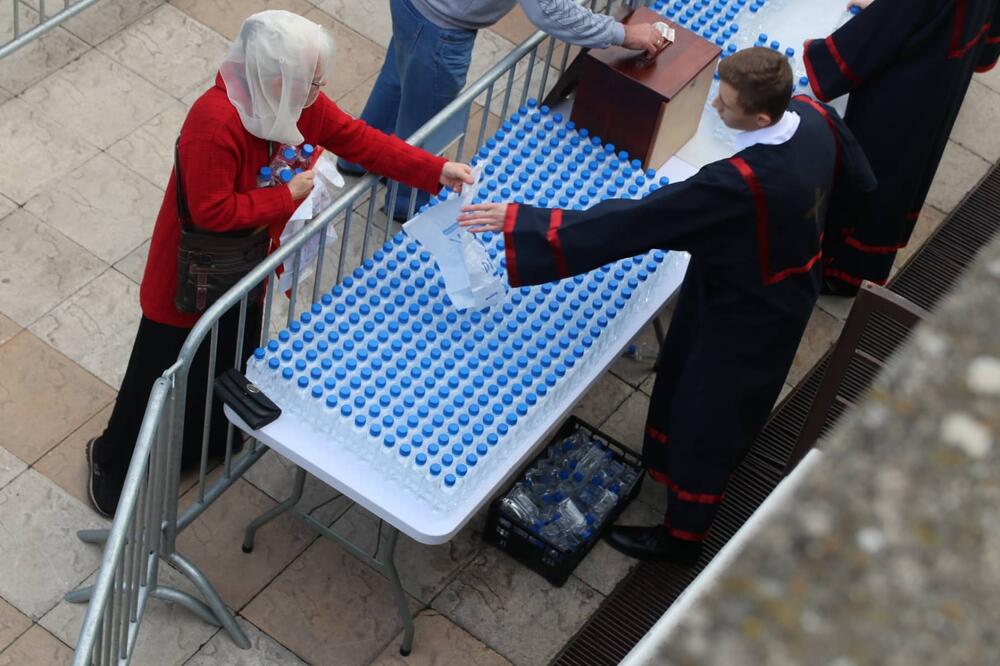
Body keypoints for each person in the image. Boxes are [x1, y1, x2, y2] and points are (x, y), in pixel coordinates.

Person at [458, 48, 876, 565]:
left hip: (738, 310)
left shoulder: (740, 182)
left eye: (726, 105)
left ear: (762, 116)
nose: (716, 112)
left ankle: (684, 534)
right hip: (788, 290)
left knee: (707, 409)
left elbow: (639, 221)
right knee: (735, 394)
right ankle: (685, 463)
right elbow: (861, 184)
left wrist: (524, 222)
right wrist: (812, 248)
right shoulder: (815, 117)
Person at [86, 10, 473, 518]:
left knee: (228, 354)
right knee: (160, 368)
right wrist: (286, 197)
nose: (321, 90)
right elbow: (211, 210)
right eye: (312, 81)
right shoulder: (215, 122)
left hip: (247, 265)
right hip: (189, 274)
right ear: (276, 78)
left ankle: (206, 441)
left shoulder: (291, 100)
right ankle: (113, 460)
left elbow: (359, 140)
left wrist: (435, 170)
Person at [338, 0, 668, 219]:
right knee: (427, 122)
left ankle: (356, 156)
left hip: (416, 7)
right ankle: (406, 203)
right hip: (441, 25)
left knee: (398, 75)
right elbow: (549, 11)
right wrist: (622, 33)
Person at [804, 0, 1000, 296]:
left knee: (877, 166)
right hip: (942, 68)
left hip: (906, 83)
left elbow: (891, 24)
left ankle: (842, 270)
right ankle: (860, 265)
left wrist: (827, 56)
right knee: (908, 166)